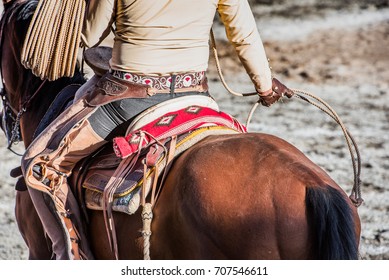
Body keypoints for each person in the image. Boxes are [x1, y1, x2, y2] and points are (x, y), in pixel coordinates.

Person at [22, 0, 294, 260]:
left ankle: (69, 258)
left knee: (39, 164)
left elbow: (90, 35)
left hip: (127, 99)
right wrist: (265, 85)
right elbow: (243, 33)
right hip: (194, 93)